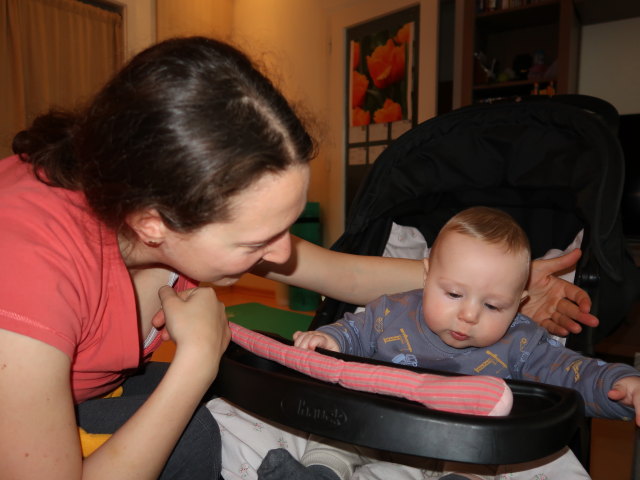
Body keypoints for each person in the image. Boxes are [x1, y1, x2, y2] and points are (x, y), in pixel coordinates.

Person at [0, 33, 597, 479]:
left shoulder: (153, 194)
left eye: (284, 227)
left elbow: (337, 270)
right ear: (154, 222)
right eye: (256, 242)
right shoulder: (27, 266)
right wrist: (197, 359)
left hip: (80, 400)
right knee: (199, 440)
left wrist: (477, 284)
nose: (280, 255)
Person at [266, 206, 640, 480]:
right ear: (427, 274)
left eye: (493, 305)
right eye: (454, 294)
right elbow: (352, 331)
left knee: (480, 466)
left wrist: (617, 385)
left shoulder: (522, 341)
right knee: (331, 434)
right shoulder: (388, 312)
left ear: (520, 303)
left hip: (460, 447)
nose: (469, 315)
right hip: (371, 426)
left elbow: (571, 373)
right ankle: (317, 475)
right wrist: (327, 339)